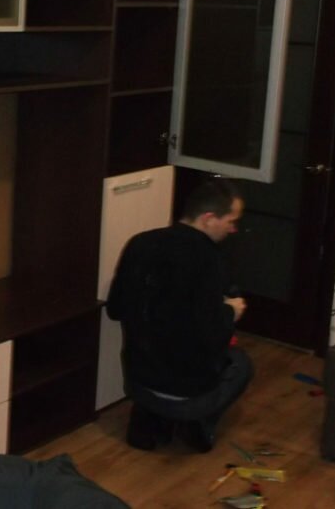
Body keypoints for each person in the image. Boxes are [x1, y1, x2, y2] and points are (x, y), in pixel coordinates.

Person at [105, 178, 253, 452]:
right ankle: (196, 423)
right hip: (186, 391)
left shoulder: (140, 243)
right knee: (241, 364)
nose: (233, 229)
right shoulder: (210, 261)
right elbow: (210, 336)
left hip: (138, 382)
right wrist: (230, 312)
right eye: (231, 221)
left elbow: (115, 309)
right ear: (208, 218)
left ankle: (149, 418)